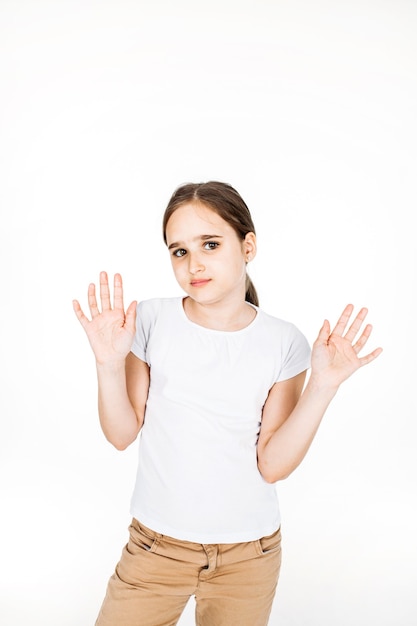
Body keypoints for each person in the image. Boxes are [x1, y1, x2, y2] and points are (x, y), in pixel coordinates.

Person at [73, 181, 382, 626]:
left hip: (248, 557)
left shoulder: (284, 342)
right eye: (179, 251)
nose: (194, 264)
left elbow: (272, 464)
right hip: (155, 548)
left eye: (211, 244)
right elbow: (121, 434)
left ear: (248, 245)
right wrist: (107, 363)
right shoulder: (150, 320)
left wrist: (322, 387)